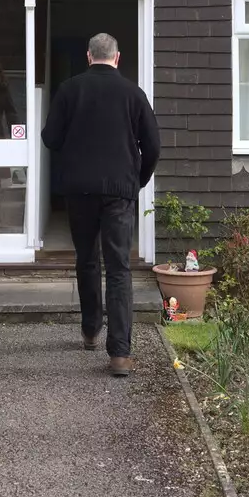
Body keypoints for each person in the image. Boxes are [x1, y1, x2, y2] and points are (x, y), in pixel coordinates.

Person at [42, 32, 160, 377]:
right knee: (119, 268)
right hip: (119, 192)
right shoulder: (133, 95)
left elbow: (51, 138)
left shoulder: (69, 89)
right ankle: (120, 354)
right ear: (117, 58)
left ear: (89, 57)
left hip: (79, 190)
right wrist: (138, 179)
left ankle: (91, 330)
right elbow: (153, 146)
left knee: (87, 259)